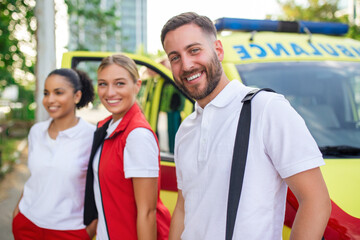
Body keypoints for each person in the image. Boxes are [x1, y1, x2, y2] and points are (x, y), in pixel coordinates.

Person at [161, 12, 332, 240]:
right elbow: (183, 207)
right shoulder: (186, 129)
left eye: (194, 50)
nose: (186, 64)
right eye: (175, 57)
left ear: (218, 50)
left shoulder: (267, 108)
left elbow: (316, 202)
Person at [83, 54, 171, 240]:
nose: (109, 92)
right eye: (103, 84)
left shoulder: (137, 136)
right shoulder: (107, 128)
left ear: (137, 86)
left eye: (120, 83)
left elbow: (147, 213)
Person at [12, 68, 97, 239]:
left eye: (58, 93)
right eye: (46, 93)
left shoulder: (92, 136)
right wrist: (17, 213)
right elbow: (36, 177)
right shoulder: (36, 131)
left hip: (69, 230)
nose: (50, 100)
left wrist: (89, 231)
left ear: (77, 96)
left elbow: (102, 189)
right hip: (27, 224)